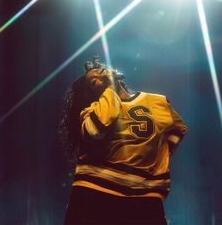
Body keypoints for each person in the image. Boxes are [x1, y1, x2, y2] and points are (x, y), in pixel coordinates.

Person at [60, 57, 188, 225]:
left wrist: (157, 154)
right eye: (93, 82)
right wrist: (110, 89)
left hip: (144, 196)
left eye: (99, 71)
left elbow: (178, 129)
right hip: (96, 193)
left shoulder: (158, 101)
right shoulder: (91, 111)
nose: (100, 75)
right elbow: (96, 131)